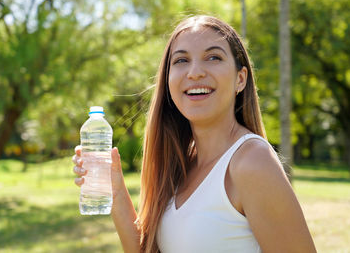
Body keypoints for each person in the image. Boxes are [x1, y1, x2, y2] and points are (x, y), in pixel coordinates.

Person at [72, 15, 317, 253]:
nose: (195, 72)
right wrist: (114, 191)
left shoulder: (252, 161)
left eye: (213, 57)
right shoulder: (182, 161)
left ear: (240, 79)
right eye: (181, 61)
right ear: (168, 80)